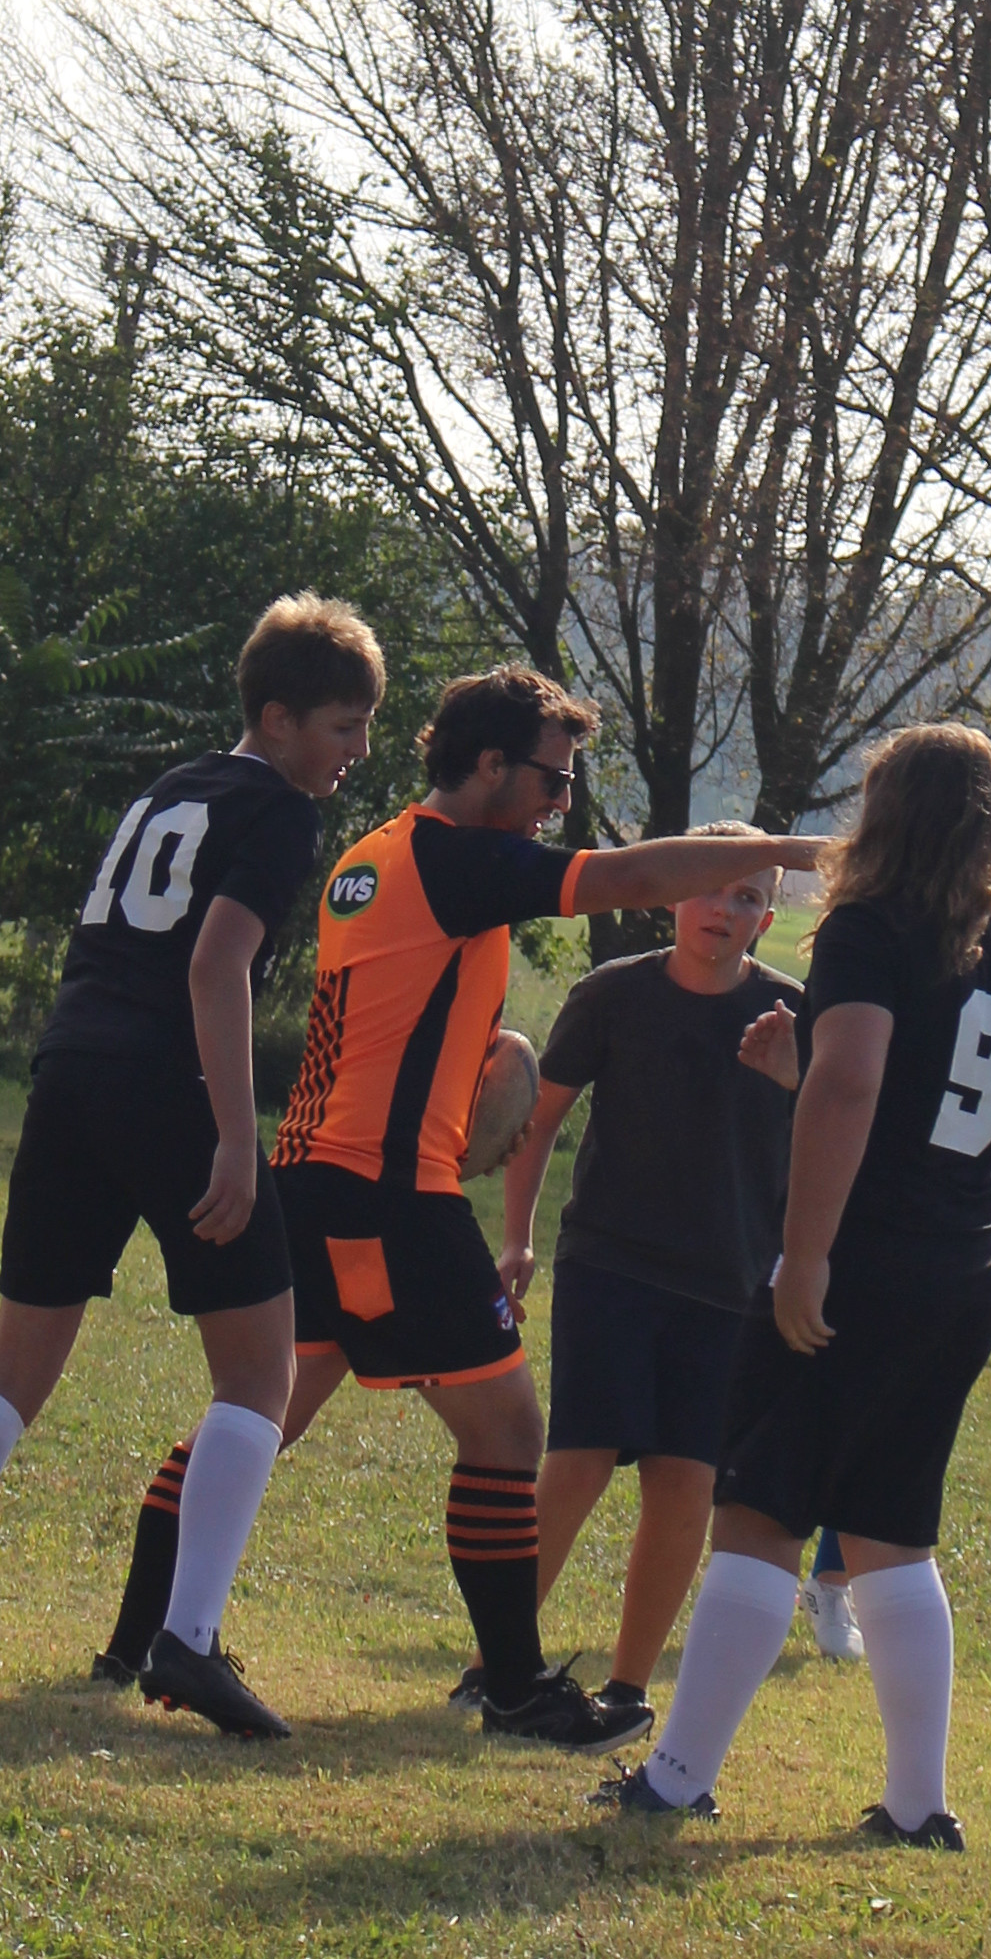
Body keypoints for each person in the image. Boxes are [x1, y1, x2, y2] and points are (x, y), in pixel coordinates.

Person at [0, 594, 387, 1736]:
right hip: (167, 1084)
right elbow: (214, 967)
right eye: (344, 726)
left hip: (70, 1069)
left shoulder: (170, 787)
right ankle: (187, 1640)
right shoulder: (279, 811)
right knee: (260, 1377)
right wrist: (236, 1136)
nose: (357, 752)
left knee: (14, 1365)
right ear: (278, 719)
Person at [271, 665, 816, 1747]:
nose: (559, 804)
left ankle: (153, 1627)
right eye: (553, 782)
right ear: (489, 766)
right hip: (417, 1201)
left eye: (752, 895)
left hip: (343, 1177)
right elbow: (618, 886)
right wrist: (793, 852)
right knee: (521, 1436)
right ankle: (510, 1683)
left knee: (268, 1405)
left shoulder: (381, 855)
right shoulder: (469, 872)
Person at [595, 721, 991, 1848]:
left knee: (758, 1510)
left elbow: (851, 1087)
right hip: (963, 1270)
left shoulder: (870, 925)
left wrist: (805, 1256)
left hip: (867, 1260)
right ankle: (918, 1804)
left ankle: (676, 1778)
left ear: (885, 812)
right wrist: (802, 1074)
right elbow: (923, 1102)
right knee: (892, 1531)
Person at [488, 866, 799, 1729]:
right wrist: (517, 1239)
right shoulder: (613, 994)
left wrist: (797, 1079)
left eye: (747, 899)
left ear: (768, 918)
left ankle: (628, 1688)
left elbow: (840, 1134)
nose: (723, 910)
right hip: (610, 1264)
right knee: (578, 1462)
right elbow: (537, 1120)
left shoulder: (792, 1017)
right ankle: (497, 1662)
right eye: (709, 889)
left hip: (730, 1284)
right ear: (671, 897)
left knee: (685, 1483)